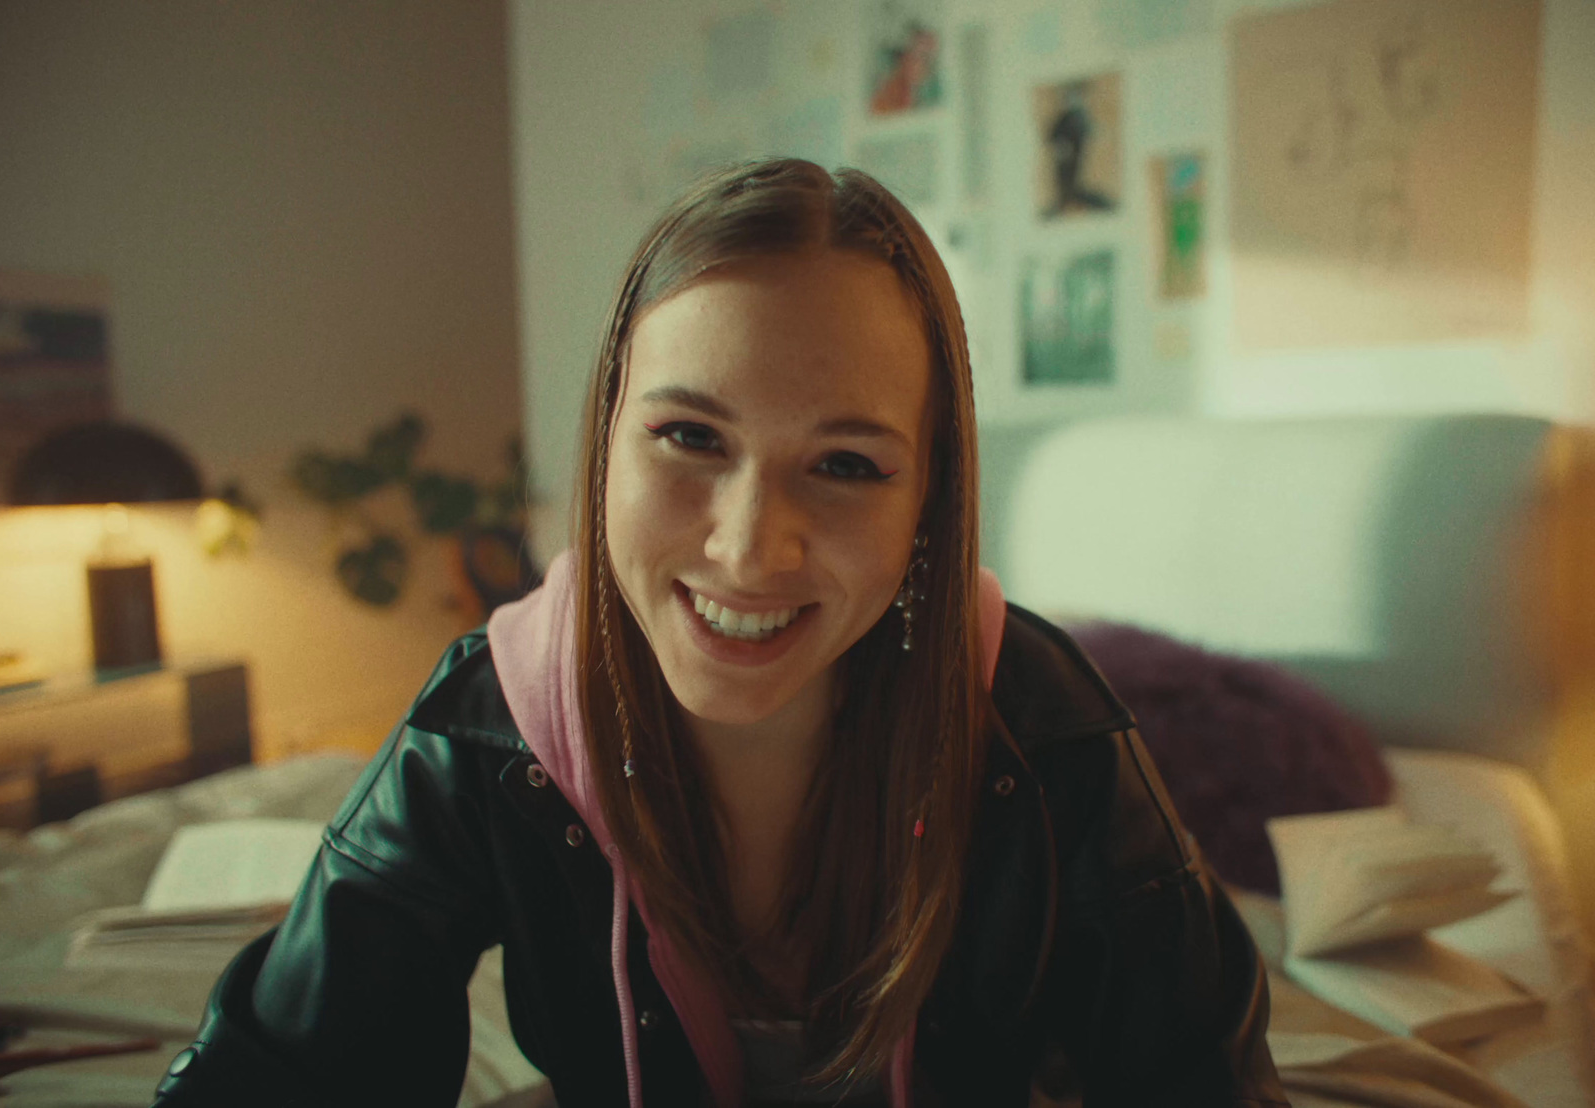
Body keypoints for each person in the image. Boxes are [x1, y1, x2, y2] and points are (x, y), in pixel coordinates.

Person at [152, 159, 1287, 1108]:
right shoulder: (489, 732)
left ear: (927, 504)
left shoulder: (1042, 728)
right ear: (606, 446)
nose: (750, 549)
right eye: (690, 437)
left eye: (846, 464)